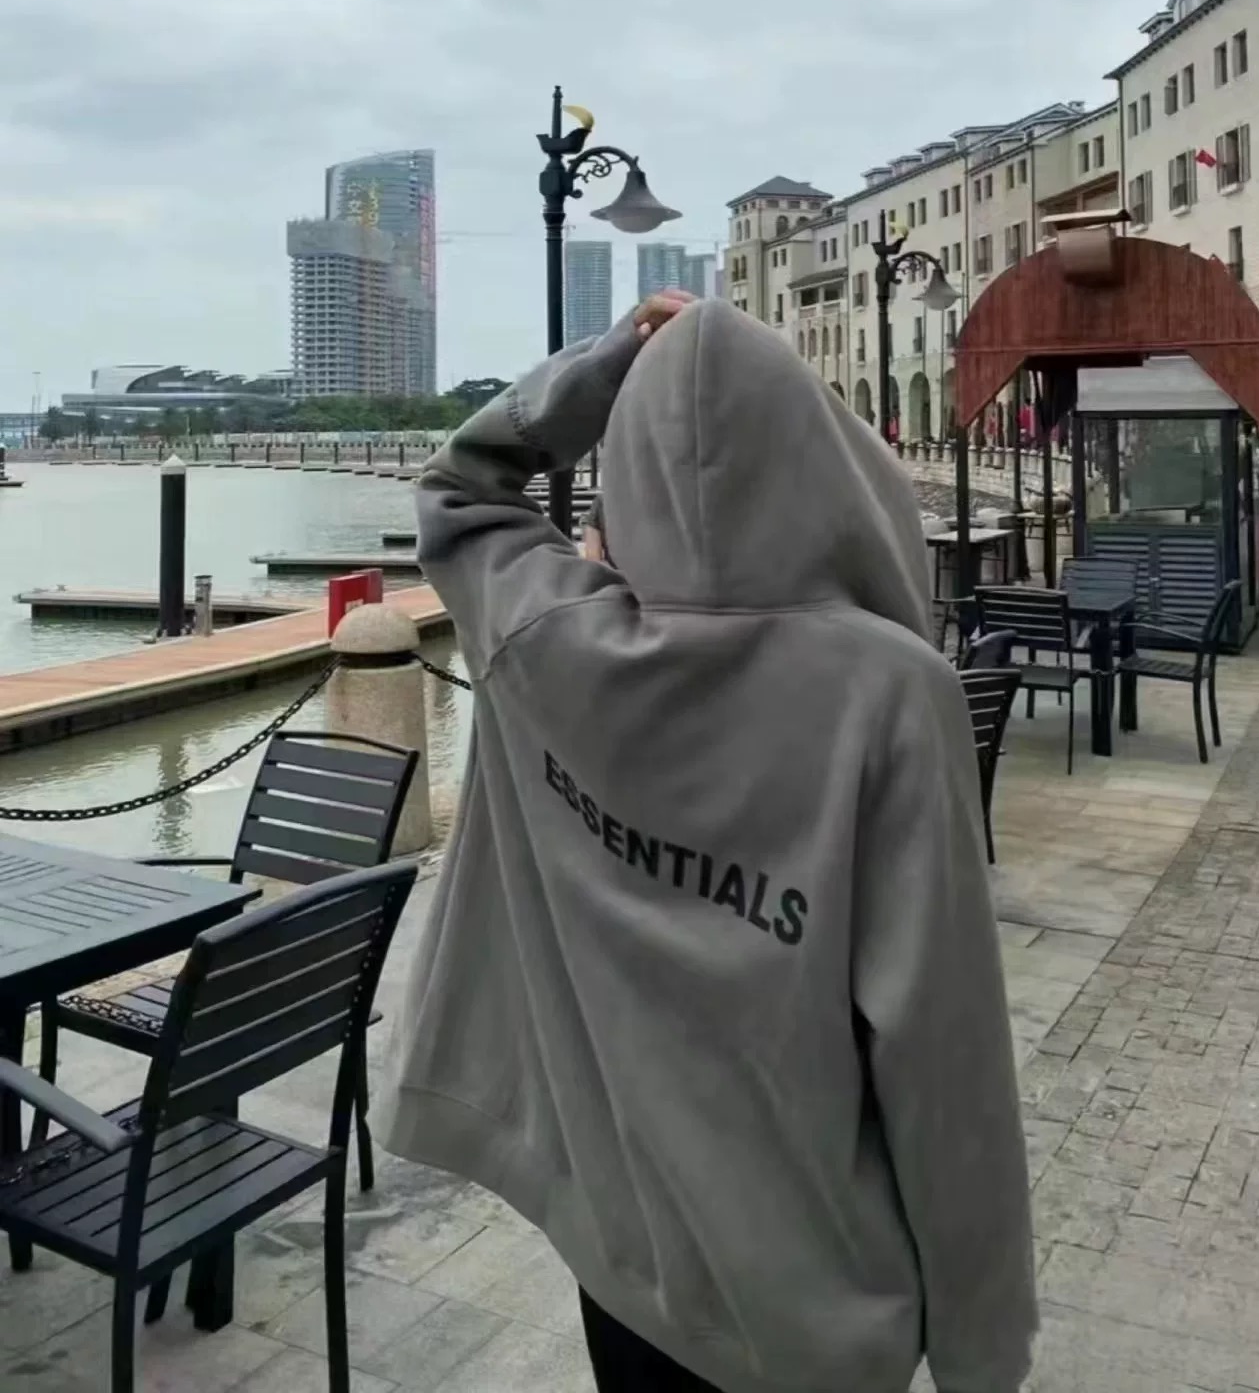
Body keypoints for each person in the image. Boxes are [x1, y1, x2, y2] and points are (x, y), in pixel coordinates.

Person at [374, 293, 1035, 1393]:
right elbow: (944, 1062)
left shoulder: (550, 638)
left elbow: (457, 485)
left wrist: (607, 364)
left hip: (618, 1250)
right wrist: (984, 1350)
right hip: (808, 1303)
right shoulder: (887, 691)